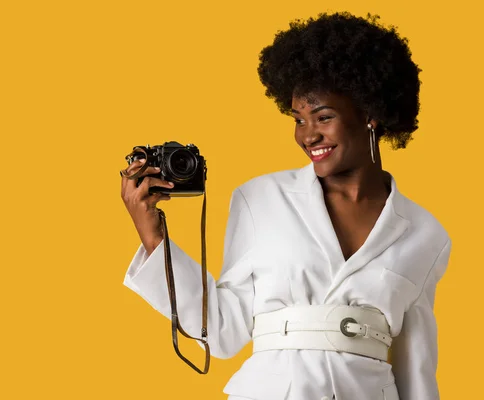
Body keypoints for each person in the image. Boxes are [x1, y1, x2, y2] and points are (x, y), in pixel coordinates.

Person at [119, 11, 451, 400]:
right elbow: (222, 330)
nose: (309, 135)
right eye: (298, 120)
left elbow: (416, 366)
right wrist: (154, 236)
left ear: (370, 115)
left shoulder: (427, 234)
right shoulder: (259, 199)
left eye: (323, 117)